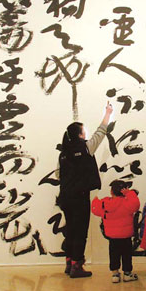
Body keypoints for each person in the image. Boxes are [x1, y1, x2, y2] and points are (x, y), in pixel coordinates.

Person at [57, 101, 113, 278]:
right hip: (79, 197)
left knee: (71, 230)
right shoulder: (86, 147)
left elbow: (59, 175)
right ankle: (76, 266)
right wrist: (108, 113)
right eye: (84, 131)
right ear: (80, 135)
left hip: (65, 197)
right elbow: (101, 132)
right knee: (80, 231)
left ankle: (69, 261)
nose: (86, 134)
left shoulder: (63, 153)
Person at [91, 180, 140, 283]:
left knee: (113, 254)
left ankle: (115, 274)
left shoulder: (105, 203)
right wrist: (129, 193)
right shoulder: (128, 203)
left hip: (112, 236)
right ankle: (127, 273)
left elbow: (95, 209)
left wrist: (95, 199)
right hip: (126, 235)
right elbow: (136, 204)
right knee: (127, 255)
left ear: (111, 192)